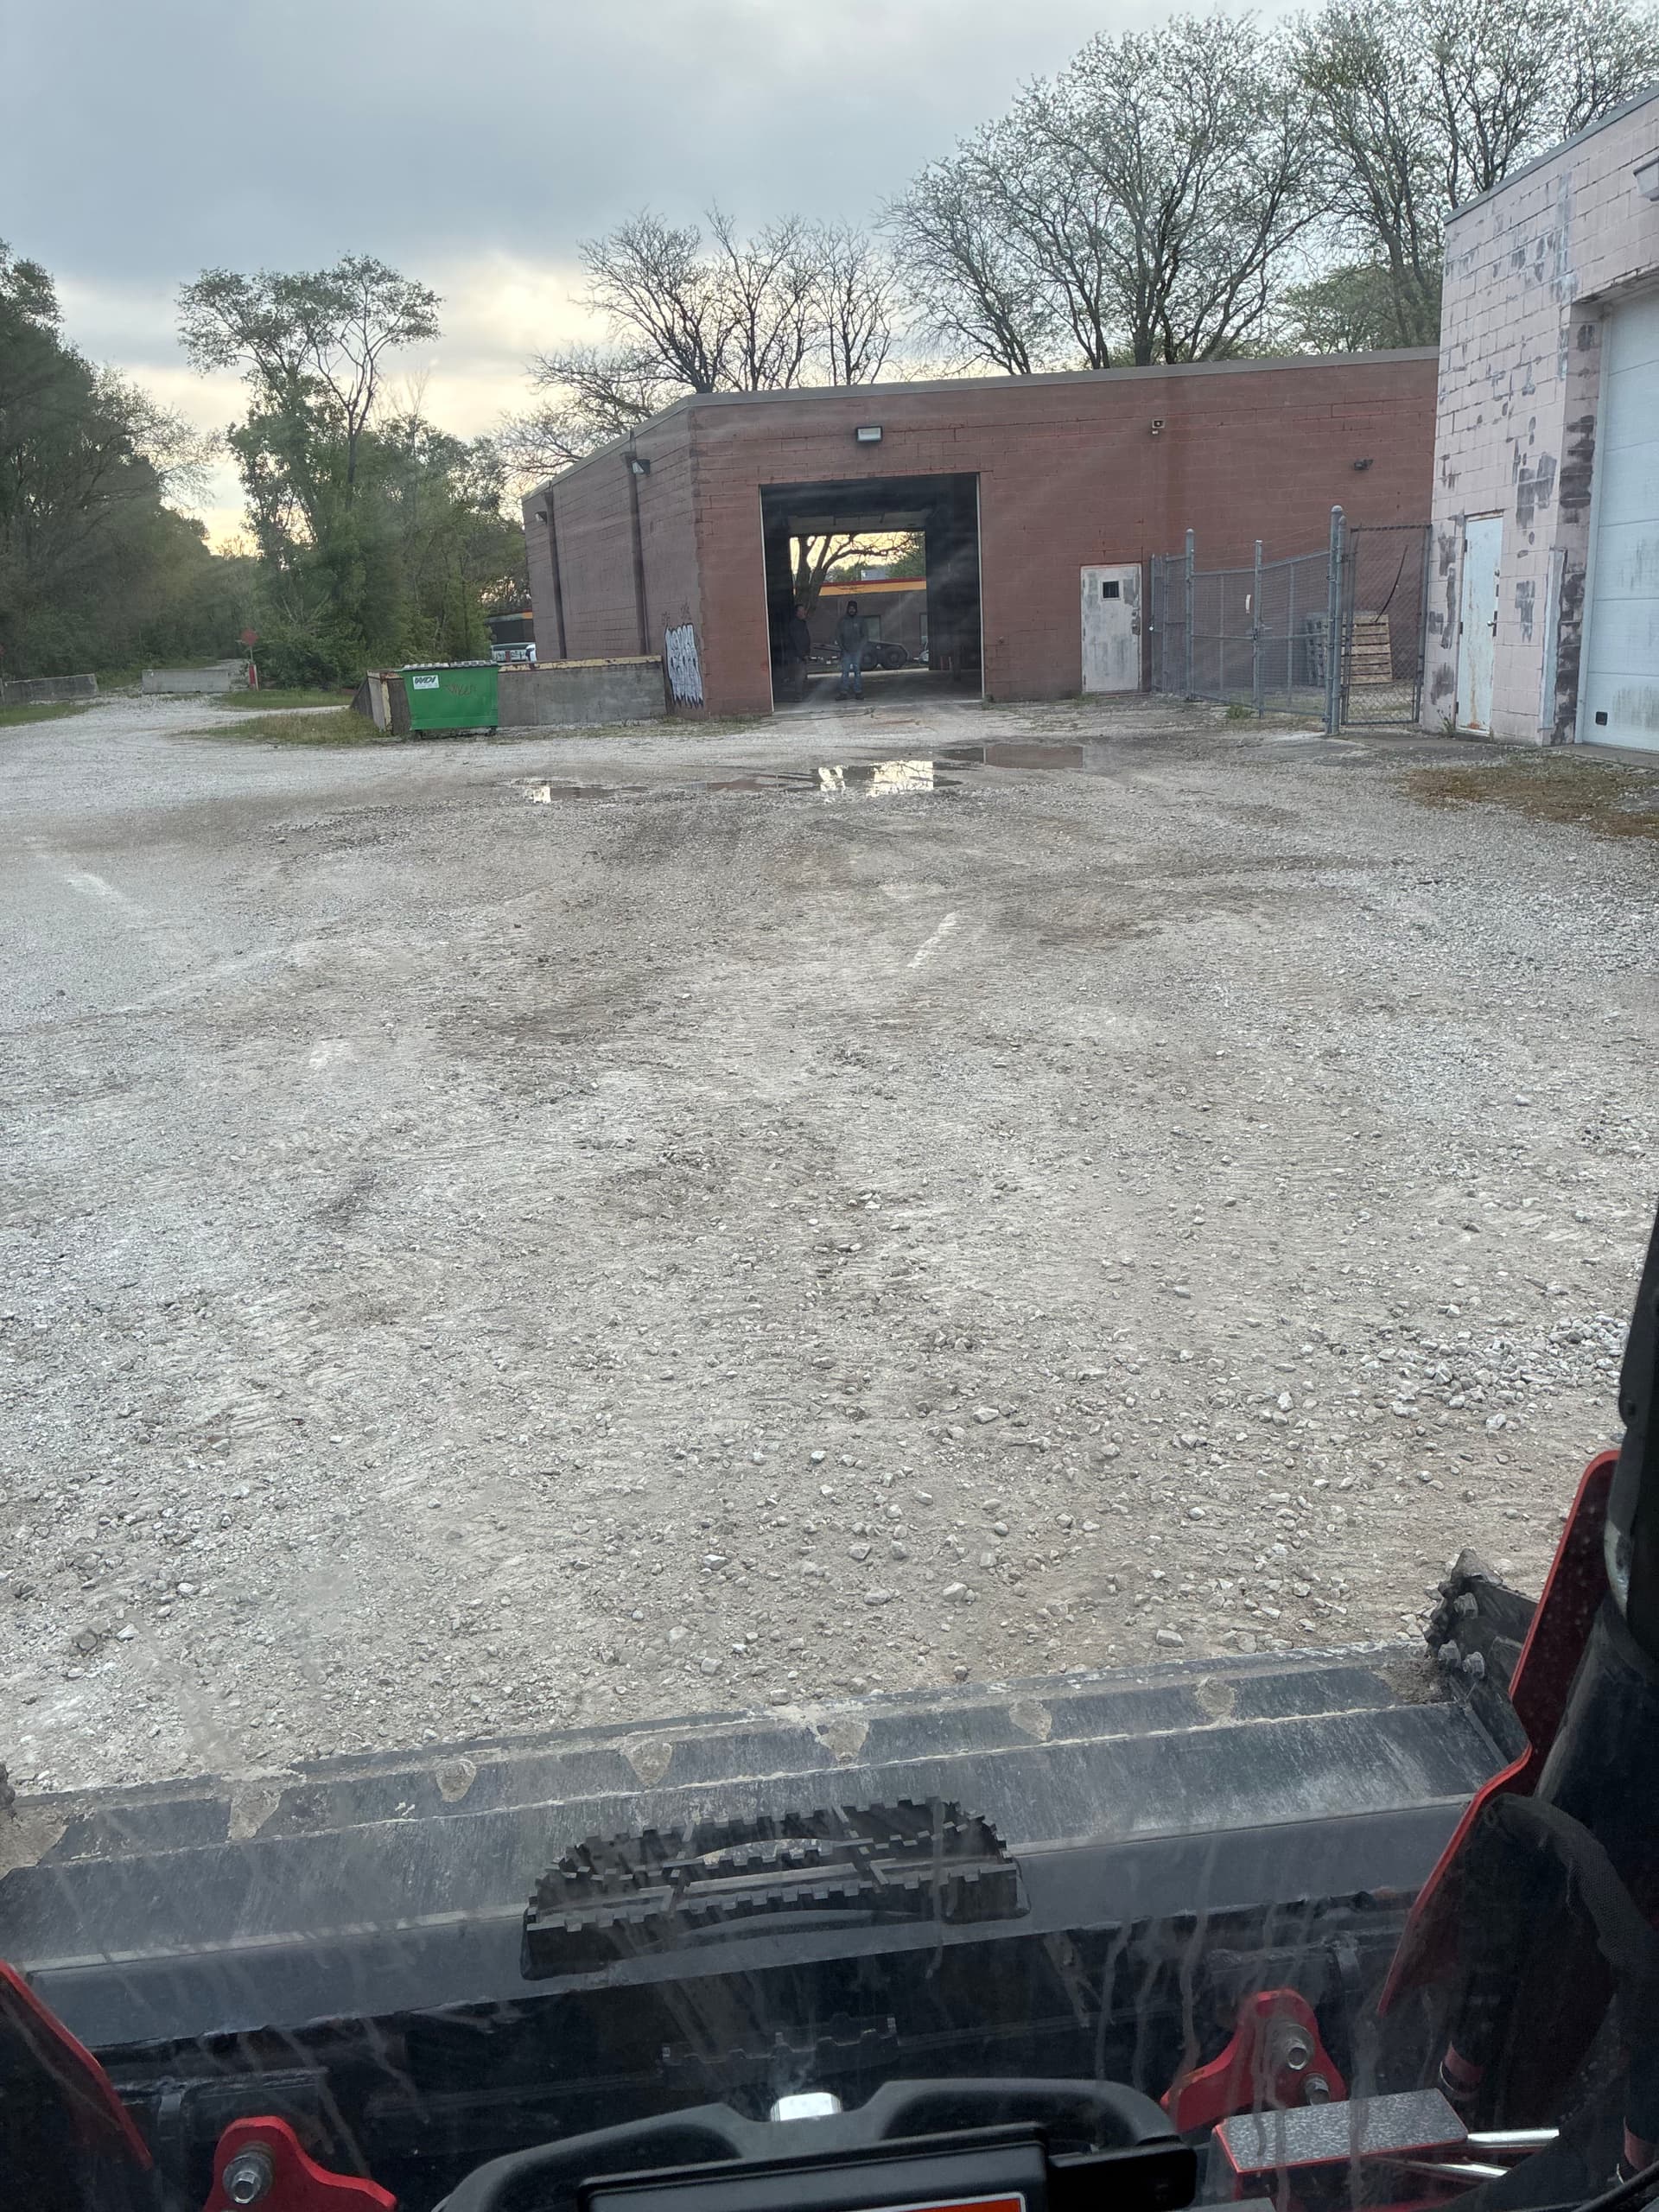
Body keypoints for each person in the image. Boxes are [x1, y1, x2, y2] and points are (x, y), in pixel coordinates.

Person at [834, 599, 866, 701]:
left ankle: (858, 692)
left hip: (857, 651)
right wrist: (842, 648)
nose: (852, 610)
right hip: (846, 651)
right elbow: (838, 636)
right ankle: (843, 692)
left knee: (857, 672)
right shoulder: (842, 621)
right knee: (845, 672)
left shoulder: (861, 620)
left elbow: (865, 636)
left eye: (853, 608)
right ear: (847, 609)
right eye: (850, 608)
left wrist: (860, 647)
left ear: (856, 609)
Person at [781, 601, 811, 702]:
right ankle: (799, 696)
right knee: (800, 676)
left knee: (803, 676)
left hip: (801, 655)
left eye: (804, 611)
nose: (804, 613)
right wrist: (803, 655)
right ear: (797, 613)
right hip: (798, 656)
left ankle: (802, 695)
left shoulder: (801, 623)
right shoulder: (795, 625)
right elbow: (798, 641)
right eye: (802, 611)